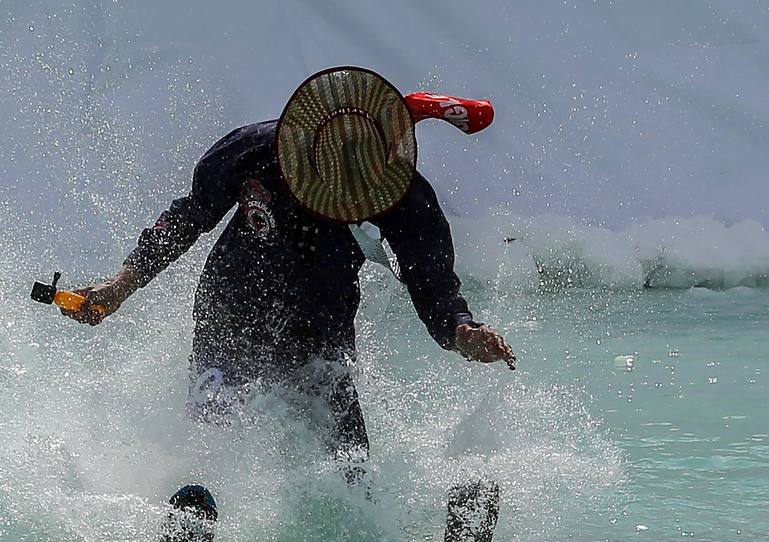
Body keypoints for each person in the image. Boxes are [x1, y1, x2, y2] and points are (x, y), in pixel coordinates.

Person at [62, 66, 515, 462]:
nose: (346, 197)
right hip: (229, 313)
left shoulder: (404, 197)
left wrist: (462, 332)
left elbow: (434, 287)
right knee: (210, 441)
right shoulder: (256, 149)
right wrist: (121, 286)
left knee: (349, 474)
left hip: (321, 330)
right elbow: (189, 216)